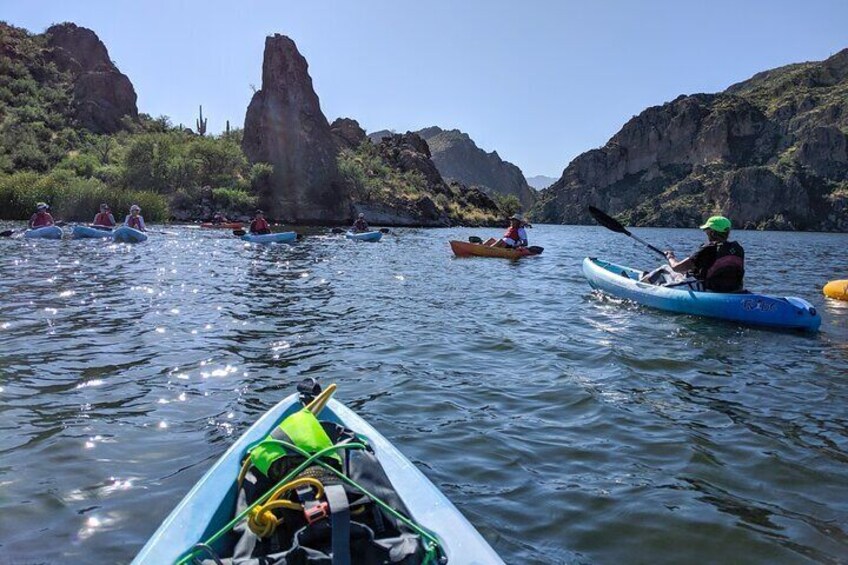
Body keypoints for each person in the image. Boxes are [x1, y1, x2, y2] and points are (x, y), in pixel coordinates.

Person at [643, 215, 745, 292]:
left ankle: (640, 286)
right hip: (732, 289)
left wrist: (670, 257)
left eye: (706, 230)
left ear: (712, 232)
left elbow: (676, 267)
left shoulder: (708, 249)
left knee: (664, 268)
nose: (705, 232)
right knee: (683, 273)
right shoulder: (738, 249)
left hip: (704, 289)